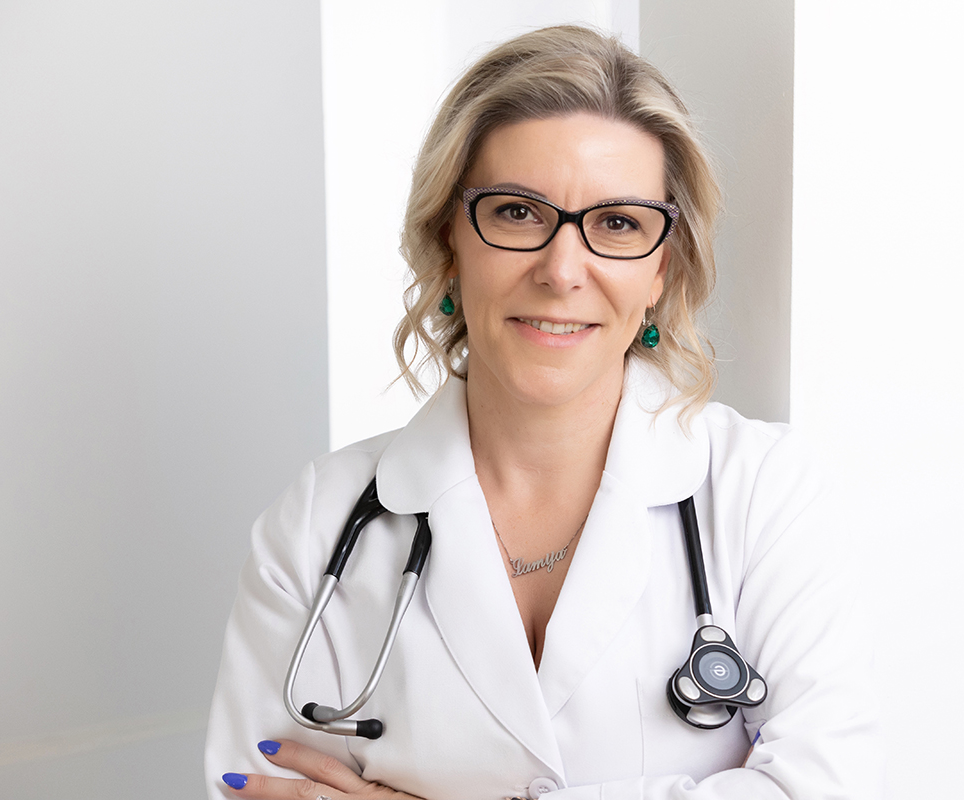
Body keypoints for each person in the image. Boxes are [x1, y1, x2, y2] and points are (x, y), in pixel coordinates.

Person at [205, 24, 883, 800]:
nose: (563, 271)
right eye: (518, 213)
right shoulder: (318, 523)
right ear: (448, 239)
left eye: (618, 223)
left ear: (662, 267)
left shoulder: (768, 495)